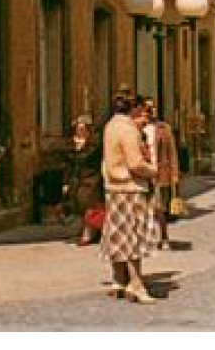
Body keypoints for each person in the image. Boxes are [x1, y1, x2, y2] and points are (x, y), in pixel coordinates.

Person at [100, 94, 159, 304]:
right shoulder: (129, 130)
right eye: (141, 109)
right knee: (134, 236)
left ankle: (118, 279)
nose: (143, 114)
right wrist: (153, 170)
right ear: (133, 109)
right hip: (130, 187)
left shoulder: (110, 126)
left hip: (113, 187)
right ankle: (136, 283)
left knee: (117, 234)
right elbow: (135, 163)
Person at [142, 99, 180, 251]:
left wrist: (174, 173)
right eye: (148, 107)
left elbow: (172, 151)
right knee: (145, 207)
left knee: (160, 207)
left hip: (160, 171)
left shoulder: (164, 128)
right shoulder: (138, 128)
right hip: (143, 170)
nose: (151, 110)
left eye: (153, 107)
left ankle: (164, 236)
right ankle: (146, 237)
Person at [63, 115, 104, 246]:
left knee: (88, 203)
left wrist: (81, 147)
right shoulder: (71, 144)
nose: (80, 131)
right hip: (75, 179)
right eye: (78, 128)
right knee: (79, 205)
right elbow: (67, 164)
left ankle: (88, 232)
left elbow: (92, 159)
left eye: (83, 128)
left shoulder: (95, 144)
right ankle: (91, 229)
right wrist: (65, 182)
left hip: (91, 177)